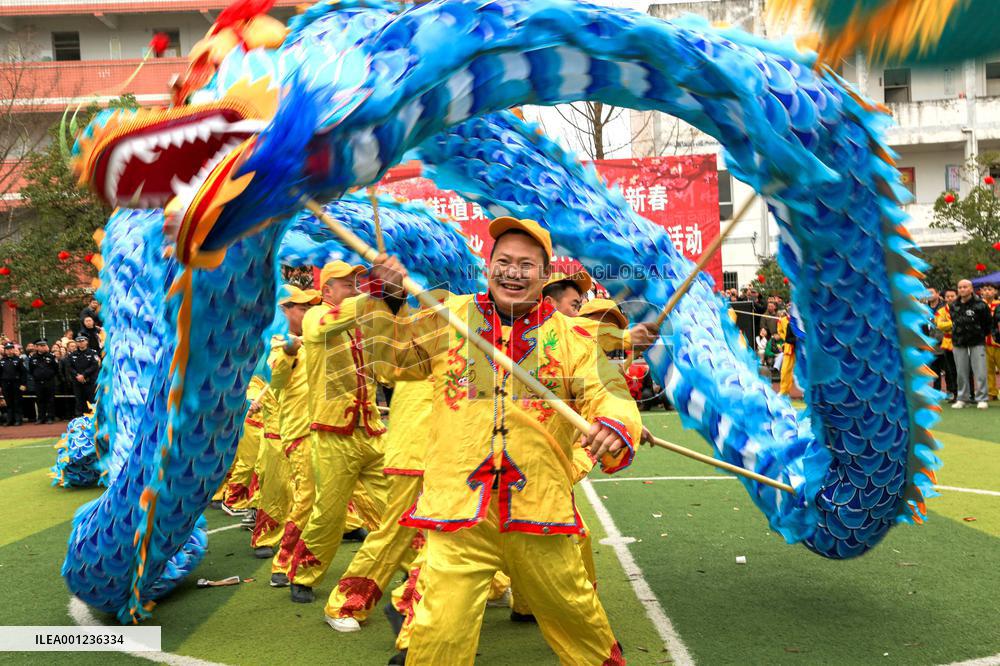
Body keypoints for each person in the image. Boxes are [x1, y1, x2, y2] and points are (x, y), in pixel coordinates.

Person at [367, 217, 639, 665]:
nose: (513, 272)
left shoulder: (573, 336)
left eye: (526, 264)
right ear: (488, 265)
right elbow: (391, 362)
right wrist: (389, 297)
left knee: (576, 615)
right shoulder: (449, 315)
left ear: (545, 275)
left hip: (538, 507)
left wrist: (614, 424)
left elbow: (608, 391)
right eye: (504, 261)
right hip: (459, 507)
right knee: (437, 628)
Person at [286, 260, 389, 604]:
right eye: (347, 284)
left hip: (371, 430)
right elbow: (330, 322)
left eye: (357, 283)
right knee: (329, 514)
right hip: (333, 434)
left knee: (398, 502)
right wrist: (376, 290)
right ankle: (302, 574)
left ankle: (413, 562)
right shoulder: (317, 318)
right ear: (327, 291)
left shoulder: (361, 326)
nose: (355, 289)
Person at [949, 279, 992, 409]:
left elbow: (987, 323)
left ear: (971, 289)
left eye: (965, 287)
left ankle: (982, 398)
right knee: (961, 372)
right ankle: (963, 398)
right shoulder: (954, 305)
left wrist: (979, 334)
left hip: (977, 342)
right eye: (960, 287)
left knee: (980, 372)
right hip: (959, 342)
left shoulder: (980, 305)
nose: (962, 289)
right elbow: (954, 322)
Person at [68, 335, 100, 416]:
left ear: (86, 342)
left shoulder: (93, 353)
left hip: (90, 381)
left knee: (92, 401)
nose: (81, 343)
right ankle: (79, 419)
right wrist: (77, 375)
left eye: (82, 341)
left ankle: (93, 418)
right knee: (79, 401)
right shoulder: (73, 355)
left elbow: (94, 366)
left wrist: (84, 375)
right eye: (79, 341)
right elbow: (70, 367)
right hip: (78, 382)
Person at [29, 339, 58, 424]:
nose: (43, 347)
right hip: (38, 382)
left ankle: (50, 417)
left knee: (50, 400)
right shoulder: (33, 358)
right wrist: (36, 376)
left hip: (49, 381)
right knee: (40, 400)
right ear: (37, 347)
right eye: (41, 346)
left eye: (44, 345)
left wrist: (49, 375)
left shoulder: (51, 356)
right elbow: (31, 370)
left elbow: (56, 369)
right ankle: (41, 418)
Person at [0, 342, 27, 426]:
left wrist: (23, 384)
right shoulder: (2, 361)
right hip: (5, 384)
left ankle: (18, 419)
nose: (9, 351)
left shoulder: (18, 360)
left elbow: (23, 373)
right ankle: (10, 420)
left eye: (10, 349)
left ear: (13, 349)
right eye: (7, 349)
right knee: (9, 403)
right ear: (5, 350)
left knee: (17, 402)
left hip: (16, 384)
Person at [981, 283, 998, 400]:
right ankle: (991, 392)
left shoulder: (999, 305)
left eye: (990, 289)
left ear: (995, 292)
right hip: (983, 342)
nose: (987, 292)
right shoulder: (979, 305)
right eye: (985, 290)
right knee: (988, 369)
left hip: (998, 342)